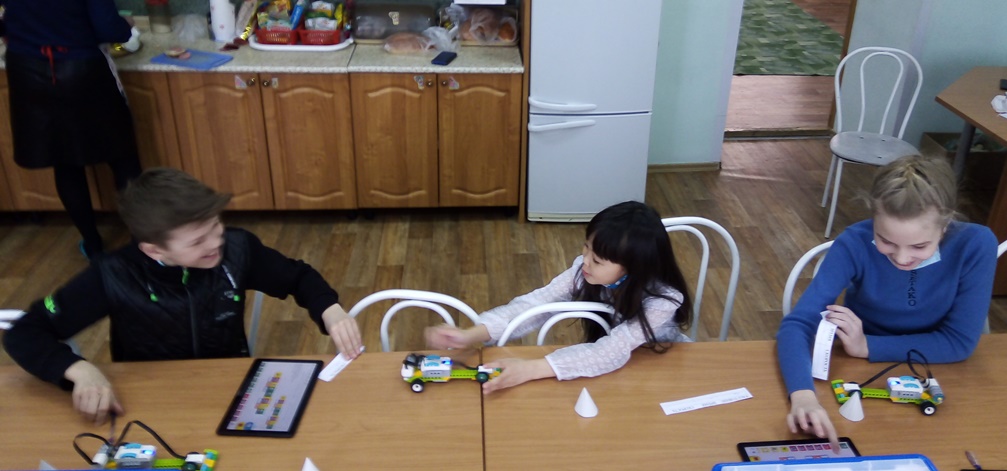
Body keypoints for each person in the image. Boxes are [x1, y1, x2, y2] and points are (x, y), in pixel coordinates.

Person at [2, 168, 362, 425]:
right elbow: (25, 333)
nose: (216, 242)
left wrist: (329, 310)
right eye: (198, 240)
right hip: (148, 402)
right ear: (153, 249)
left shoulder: (238, 248)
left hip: (230, 391)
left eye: (216, 225)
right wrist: (79, 370)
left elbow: (298, 277)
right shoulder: (112, 273)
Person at [777, 154, 997, 448]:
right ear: (874, 219)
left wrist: (868, 346)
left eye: (920, 246)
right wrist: (803, 396)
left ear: (945, 225)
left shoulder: (976, 244)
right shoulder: (854, 242)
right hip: (857, 370)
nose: (902, 258)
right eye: (886, 241)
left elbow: (959, 342)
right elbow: (798, 324)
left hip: (939, 372)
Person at [426, 201, 693, 394]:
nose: (585, 261)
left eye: (597, 260)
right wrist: (470, 335)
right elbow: (537, 304)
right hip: (619, 371)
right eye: (586, 248)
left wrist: (529, 369)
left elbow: (612, 350)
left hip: (666, 369)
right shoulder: (584, 271)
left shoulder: (664, 300)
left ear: (634, 267)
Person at [1, 0, 143, 258]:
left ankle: (93, 245)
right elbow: (108, 29)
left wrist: (13, 30)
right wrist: (126, 26)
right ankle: (143, 244)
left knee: (65, 162)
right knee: (123, 159)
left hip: (28, 70)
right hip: (82, 69)